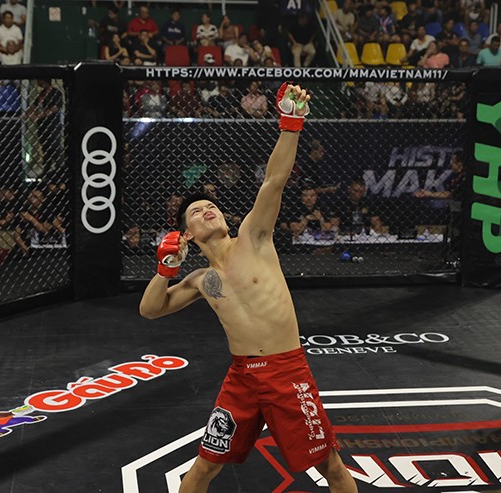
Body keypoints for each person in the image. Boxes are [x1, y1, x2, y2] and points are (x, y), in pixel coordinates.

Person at [139, 83, 357, 491]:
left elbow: (273, 181)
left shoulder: (254, 238)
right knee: (203, 467)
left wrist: (290, 125)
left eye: (212, 206)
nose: (208, 209)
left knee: (330, 465)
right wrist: (165, 270)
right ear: (187, 234)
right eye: (197, 212)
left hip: (286, 370)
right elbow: (151, 310)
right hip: (241, 378)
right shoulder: (201, 280)